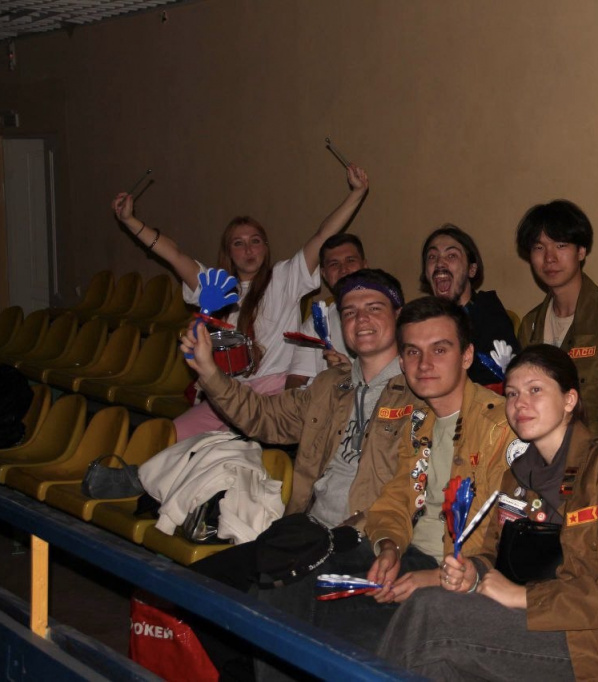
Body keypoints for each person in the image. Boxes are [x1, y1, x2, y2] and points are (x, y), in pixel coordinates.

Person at [378, 344, 598, 681]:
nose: (519, 403)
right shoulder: (519, 473)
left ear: (569, 400)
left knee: (433, 616)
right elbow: (495, 554)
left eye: (535, 390)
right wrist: (474, 573)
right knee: (436, 649)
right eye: (512, 393)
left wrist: (524, 596)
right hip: (547, 617)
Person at [253, 296, 512, 670]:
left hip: (458, 574)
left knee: (348, 635)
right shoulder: (418, 420)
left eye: (439, 350)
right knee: (282, 586)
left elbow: (496, 538)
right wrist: (389, 546)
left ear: (467, 355)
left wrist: (434, 577)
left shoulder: (500, 426)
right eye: (413, 352)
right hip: (408, 555)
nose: (424, 364)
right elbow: (396, 498)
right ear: (402, 361)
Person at [179, 268, 412, 679]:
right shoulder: (330, 384)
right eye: (350, 311)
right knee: (195, 590)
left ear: (398, 315)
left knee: (272, 616)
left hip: (361, 539)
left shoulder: (421, 387)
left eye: (374, 308)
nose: (361, 318)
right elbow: (263, 417)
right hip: (304, 530)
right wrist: (210, 373)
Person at [113, 164, 369, 440]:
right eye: (238, 243)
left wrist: (357, 193)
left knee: (231, 446)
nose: (248, 249)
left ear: (266, 248)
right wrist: (130, 221)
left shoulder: (285, 277)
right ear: (228, 251)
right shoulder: (216, 287)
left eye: (255, 241)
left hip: (272, 392)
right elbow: (174, 255)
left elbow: (323, 236)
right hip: (226, 391)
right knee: (173, 436)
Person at [516, 200, 598, 438]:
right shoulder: (530, 325)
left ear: (581, 251)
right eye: (539, 247)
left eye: (560, 245)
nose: (549, 258)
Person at [419, 224, 519, 391]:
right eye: (432, 257)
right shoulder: (422, 323)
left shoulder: (489, 315)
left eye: (451, 255)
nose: (440, 263)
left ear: (472, 269)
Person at [284, 233, 367, 389]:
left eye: (350, 260)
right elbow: (295, 379)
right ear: (324, 274)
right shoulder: (318, 320)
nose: (344, 269)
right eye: (334, 264)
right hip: (317, 400)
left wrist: (348, 374)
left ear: (364, 265)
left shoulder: (385, 317)